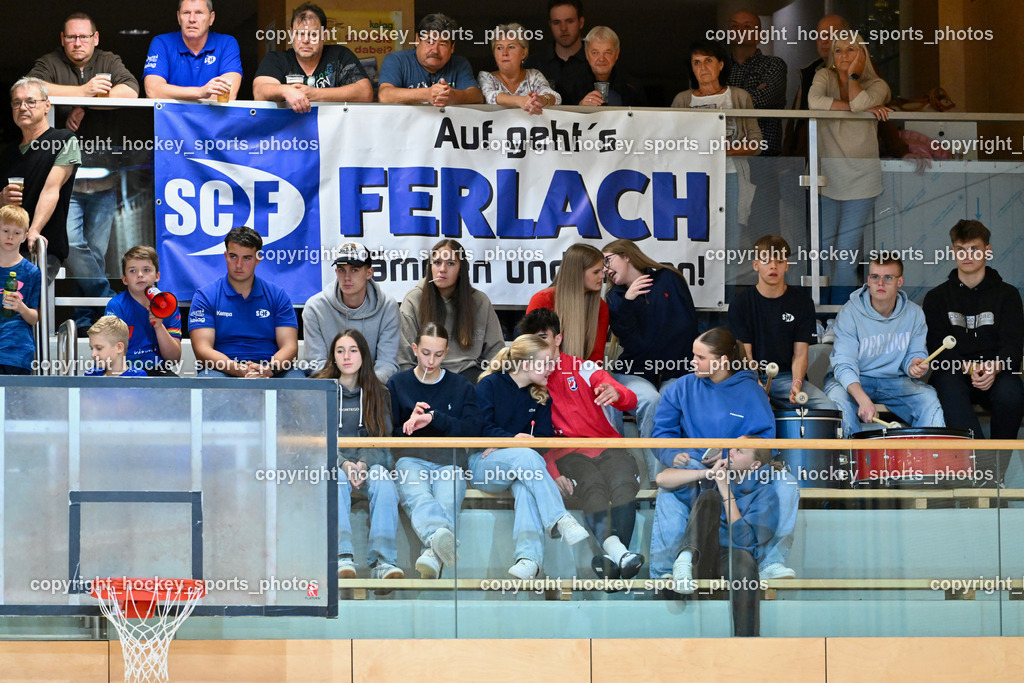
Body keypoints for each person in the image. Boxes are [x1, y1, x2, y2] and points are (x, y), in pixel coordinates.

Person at [651, 327, 796, 581]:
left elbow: (764, 442)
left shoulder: (751, 392)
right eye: (693, 355)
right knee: (669, 490)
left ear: (722, 361)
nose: (692, 361)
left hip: (741, 473)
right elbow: (662, 431)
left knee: (786, 484)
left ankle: (769, 562)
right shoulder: (681, 387)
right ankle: (664, 571)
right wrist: (671, 453)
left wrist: (732, 457)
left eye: (701, 357)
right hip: (696, 468)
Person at [29, 12, 140, 330]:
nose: (77, 42)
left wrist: (84, 102)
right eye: (71, 37)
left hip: (105, 180)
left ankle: (83, 319)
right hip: (66, 183)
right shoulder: (49, 62)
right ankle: (111, 306)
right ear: (63, 39)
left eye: (84, 36)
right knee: (75, 246)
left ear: (96, 38)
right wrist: (85, 90)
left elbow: (130, 93)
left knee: (95, 253)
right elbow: (31, 89)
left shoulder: (109, 60)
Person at [518, 308, 644, 581]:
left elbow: (631, 400)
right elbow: (533, 440)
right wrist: (552, 472)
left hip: (608, 445)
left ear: (558, 338)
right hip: (568, 455)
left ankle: (614, 557)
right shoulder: (530, 381)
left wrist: (617, 392)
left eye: (544, 337)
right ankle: (621, 555)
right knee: (593, 485)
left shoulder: (583, 368)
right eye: (533, 340)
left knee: (624, 483)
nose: (539, 346)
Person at [474, 335, 590, 579]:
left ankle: (529, 559)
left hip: (523, 466)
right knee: (525, 457)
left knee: (526, 485)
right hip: (483, 464)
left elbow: (544, 440)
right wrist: (511, 440)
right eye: (546, 363)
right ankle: (559, 517)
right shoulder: (490, 385)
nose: (552, 368)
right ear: (526, 364)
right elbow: (478, 428)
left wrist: (512, 445)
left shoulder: (542, 396)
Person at [923, 220, 1024, 482]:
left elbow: (1013, 345)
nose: (967, 256)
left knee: (1013, 392)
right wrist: (968, 368)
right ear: (953, 252)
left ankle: (996, 474)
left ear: (987, 251)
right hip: (954, 373)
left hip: (997, 372)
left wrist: (995, 367)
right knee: (947, 385)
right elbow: (937, 347)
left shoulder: (1008, 295)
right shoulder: (936, 298)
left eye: (974, 249)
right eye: (961, 249)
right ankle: (981, 472)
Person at [387, 322, 482, 578]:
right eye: (426, 353)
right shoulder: (397, 384)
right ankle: (437, 547)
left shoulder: (461, 386)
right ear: (414, 349)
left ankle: (432, 552)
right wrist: (409, 425)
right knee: (419, 497)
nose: (431, 360)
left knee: (447, 501)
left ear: (447, 352)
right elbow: (388, 434)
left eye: (438, 354)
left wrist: (434, 419)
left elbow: (473, 431)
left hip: (450, 460)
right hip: (410, 458)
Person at [659, 440, 778, 637]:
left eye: (739, 451)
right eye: (731, 448)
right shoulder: (715, 475)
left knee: (744, 561)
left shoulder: (765, 492)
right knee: (709, 497)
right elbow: (662, 479)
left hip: (732, 559)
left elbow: (745, 541)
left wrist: (725, 490)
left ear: (755, 465)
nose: (730, 452)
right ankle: (684, 560)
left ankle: (747, 641)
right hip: (701, 556)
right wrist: (708, 474)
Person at [808, 31, 892, 303]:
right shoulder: (823, 76)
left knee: (845, 254)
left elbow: (860, 101)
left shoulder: (878, 84)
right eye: (839, 50)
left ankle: (837, 316)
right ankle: (817, 314)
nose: (844, 56)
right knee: (822, 252)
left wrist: (854, 78)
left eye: (851, 50)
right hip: (827, 180)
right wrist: (858, 108)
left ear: (863, 54)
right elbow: (814, 102)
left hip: (862, 181)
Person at [313, 330, 403, 583]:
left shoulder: (379, 391)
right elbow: (315, 439)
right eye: (340, 351)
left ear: (364, 355)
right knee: (337, 480)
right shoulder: (320, 389)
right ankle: (342, 557)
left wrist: (362, 463)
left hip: (370, 463)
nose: (347, 356)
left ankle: (384, 562)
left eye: (353, 350)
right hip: (332, 464)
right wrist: (343, 463)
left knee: (384, 483)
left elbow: (382, 438)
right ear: (333, 356)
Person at [671, 39, 762, 281]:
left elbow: (756, 143)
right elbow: (668, 145)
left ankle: (726, 306)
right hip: (693, 182)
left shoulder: (740, 97)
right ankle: (700, 314)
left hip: (730, 177)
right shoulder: (682, 100)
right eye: (696, 62)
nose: (702, 68)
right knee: (695, 243)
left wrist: (720, 151)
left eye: (708, 61)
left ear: (721, 64)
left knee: (728, 244)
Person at [824, 256, 945, 438]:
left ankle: (925, 463)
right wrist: (863, 400)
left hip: (894, 381)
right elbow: (844, 365)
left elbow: (915, 354)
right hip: (855, 380)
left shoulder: (914, 314)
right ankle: (852, 463)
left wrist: (913, 364)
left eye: (888, 277)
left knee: (928, 400)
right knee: (839, 405)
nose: (880, 283)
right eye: (874, 277)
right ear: (868, 281)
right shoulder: (850, 312)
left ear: (900, 281)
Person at [601, 239, 695, 447]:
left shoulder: (668, 277)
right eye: (602, 267)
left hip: (676, 371)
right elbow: (629, 340)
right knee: (652, 400)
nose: (605, 270)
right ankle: (650, 477)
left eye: (608, 261)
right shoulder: (615, 297)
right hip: (634, 372)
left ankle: (680, 472)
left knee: (677, 401)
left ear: (626, 255)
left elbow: (688, 327)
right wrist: (629, 301)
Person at [729, 235, 835, 409]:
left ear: (786, 265)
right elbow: (746, 356)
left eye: (779, 261)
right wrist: (755, 382)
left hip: (787, 377)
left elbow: (800, 355)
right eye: (766, 261)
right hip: (749, 377)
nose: (773, 266)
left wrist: (797, 383)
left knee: (828, 408)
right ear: (756, 265)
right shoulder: (741, 304)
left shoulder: (802, 303)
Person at [187, 226, 303, 378]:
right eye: (233, 256)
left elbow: (290, 346)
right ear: (225, 256)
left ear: (258, 259)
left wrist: (269, 369)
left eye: (247, 258)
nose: (239, 265)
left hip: (270, 368)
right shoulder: (205, 296)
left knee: (298, 382)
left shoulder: (277, 295)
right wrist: (239, 370)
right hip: (222, 369)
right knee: (209, 381)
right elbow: (202, 350)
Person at [1, 77, 81, 283]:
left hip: (40, 247)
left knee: (20, 304)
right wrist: (2, 198)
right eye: (16, 103)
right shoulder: (8, 152)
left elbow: (50, 191)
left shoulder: (64, 140)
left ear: (47, 106)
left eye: (30, 101)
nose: (22, 107)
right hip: (6, 247)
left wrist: (34, 231)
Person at [397, 239, 503, 383]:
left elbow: (495, 353)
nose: (442, 269)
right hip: (425, 376)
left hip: (468, 377)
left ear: (461, 269)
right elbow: (404, 359)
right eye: (437, 262)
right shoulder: (414, 300)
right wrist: (414, 386)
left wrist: (487, 382)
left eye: (451, 263)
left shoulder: (479, 301)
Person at [725, 9, 787, 234]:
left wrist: (727, 99)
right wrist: (749, 94)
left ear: (760, 35)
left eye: (747, 26)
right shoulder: (716, 66)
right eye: (734, 26)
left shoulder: (774, 65)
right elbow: (707, 102)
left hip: (762, 160)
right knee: (724, 230)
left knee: (764, 232)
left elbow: (762, 101)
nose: (740, 31)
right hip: (724, 159)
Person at [302, 242, 399, 381]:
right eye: (342, 270)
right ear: (336, 272)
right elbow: (315, 363)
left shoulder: (388, 307)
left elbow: (387, 363)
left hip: (372, 388)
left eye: (354, 270)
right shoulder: (315, 307)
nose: (347, 277)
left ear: (369, 273)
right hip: (331, 387)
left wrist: (365, 387)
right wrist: (344, 386)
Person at [253, 3, 372, 113]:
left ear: (324, 36)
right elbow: (259, 92)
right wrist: (286, 91)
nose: (305, 40)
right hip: (289, 134)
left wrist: (316, 94)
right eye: (299, 34)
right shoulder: (277, 59)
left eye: (313, 34)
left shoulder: (340, 56)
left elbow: (365, 93)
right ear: (291, 34)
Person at [104, 246, 182, 376]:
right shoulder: (116, 306)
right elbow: (109, 355)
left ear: (157, 276)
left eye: (146, 270)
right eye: (133, 271)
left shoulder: (168, 304)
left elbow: (174, 359)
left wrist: (159, 326)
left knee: (179, 391)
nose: (140, 275)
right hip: (125, 370)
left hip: (159, 369)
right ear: (124, 279)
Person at [143, 0, 242, 101]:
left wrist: (172, 95)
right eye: (186, 13)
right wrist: (201, 92)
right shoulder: (162, 43)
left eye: (199, 13)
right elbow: (153, 92)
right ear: (178, 17)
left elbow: (227, 95)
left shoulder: (226, 43)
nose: (192, 19)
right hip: (171, 117)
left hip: (213, 117)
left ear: (211, 18)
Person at [377, 14, 484, 106]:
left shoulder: (459, 64)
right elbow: (384, 96)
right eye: (430, 42)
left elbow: (477, 96)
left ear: (452, 47)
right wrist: (427, 94)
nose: (435, 50)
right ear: (417, 40)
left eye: (442, 44)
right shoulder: (397, 60)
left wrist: (454, 96)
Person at [526, 243, 608, 363]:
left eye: (602, 271)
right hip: (544, 372)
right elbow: (531, 349)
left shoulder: (601, 307)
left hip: (582, 374)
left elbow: (596, 357)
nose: (602, 276)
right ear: (577, 273)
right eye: (596, 272)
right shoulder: (543, 299)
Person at [478, 24, 560, 113]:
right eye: (499, 47)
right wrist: (519, 100)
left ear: (523, 53)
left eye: (511, 47)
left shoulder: (533, 76)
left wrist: (540, 100)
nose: (504, 53)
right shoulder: (486, 77)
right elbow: (490, 96)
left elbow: (555, 97)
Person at [0, 206, 40, 376]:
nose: (10, 236)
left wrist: (21, 307)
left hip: (16, 352)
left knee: (15, 402)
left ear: (25, 237)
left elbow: (36, 318)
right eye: (5, 230)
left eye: (17, 233)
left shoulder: (31, 272)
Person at [566, 26, 646, 107]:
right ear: (586, 54)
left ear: (617, 54)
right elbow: (562, 116)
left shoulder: (632, 87)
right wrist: (579, 108)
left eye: (607, 53)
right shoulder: (570, 84)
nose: (601, 59)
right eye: (595, 53)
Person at [529, 0, 590, 103]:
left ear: (581, 22)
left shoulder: (596, 63)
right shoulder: (533, 65)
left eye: (569, 21)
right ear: (550, 25)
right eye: (557, 22)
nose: (563, 28)